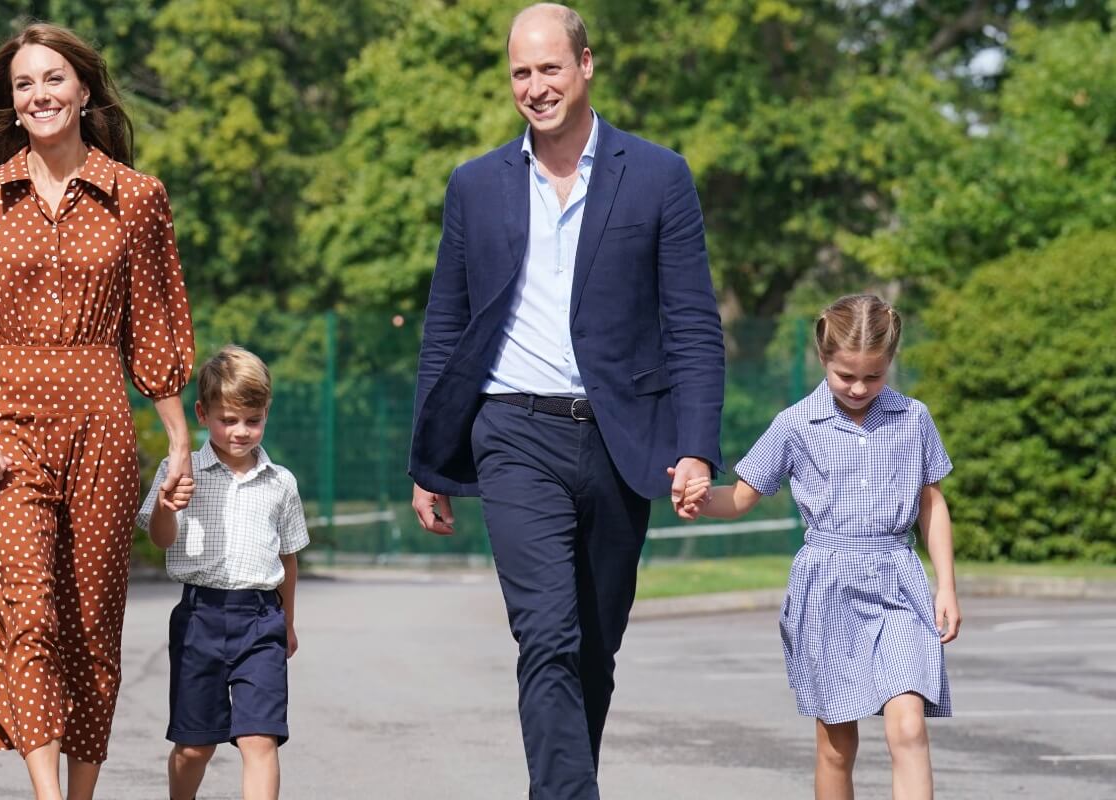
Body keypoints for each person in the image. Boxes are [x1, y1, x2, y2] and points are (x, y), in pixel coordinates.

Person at [407, 4, 726, 797]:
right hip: (512, 431)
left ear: (586, 66)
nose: (535, 86)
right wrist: (429, 459)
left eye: (550, 68)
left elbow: (691, 323)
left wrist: (696, 446)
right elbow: (445, 326)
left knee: (592, 650)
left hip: (623, 442)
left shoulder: (657, 175)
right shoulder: (476, 185)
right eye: (521, 72)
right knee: (545, 635)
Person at [0, 22, 196, 800]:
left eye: (54, 79)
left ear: (83, 91)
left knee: (91, 620)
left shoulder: (138, 197)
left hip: (102, 424)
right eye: (24, 84)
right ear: (11, 105)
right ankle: (47, 793)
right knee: (31, 604)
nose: (39, 94)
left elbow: (154, 324)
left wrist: (179, 442)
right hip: (9, 424)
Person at [680, 294, 959, 800]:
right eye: (845, 375)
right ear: (822, 359)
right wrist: (698, 498)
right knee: (836, 745)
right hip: (827, 590)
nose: (858, 388)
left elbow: (932, 504)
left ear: (890, 363)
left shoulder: (913, 418)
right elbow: (742, 497)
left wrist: (947, 587)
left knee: (910, 728)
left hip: (899, 582)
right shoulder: (794, 424)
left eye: (872, 377)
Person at [137, 346, 309, 800]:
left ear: (266, 413)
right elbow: (160, 539)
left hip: (261, 621)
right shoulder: (179, 471)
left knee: (260, 739)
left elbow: (288, 559)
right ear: (202, 413)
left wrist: (287, 622)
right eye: (228, 420)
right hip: (200, 619)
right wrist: (165, 504)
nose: (240, 432)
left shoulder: (281, 482)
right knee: (195, 747)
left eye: (252, 420)